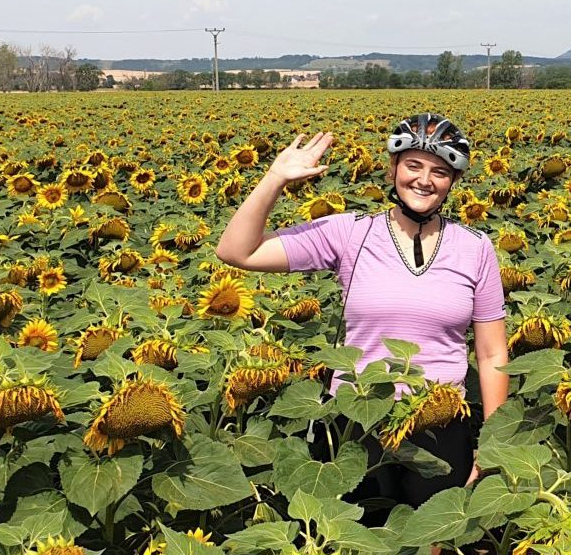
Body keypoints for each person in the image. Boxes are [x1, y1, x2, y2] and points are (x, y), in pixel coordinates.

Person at [214, 113, 509, 525]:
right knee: (352, 553)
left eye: (440, 172)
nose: (425, 180)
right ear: (393, 169)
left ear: (452, 182)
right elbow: (236, 252)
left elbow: (492, 352)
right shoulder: (350, 233)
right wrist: (275, 179)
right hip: (358, 418)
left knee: (425, 554)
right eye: (414, 166)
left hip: (440, 423)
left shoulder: (475, 247)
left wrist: (494, 442)